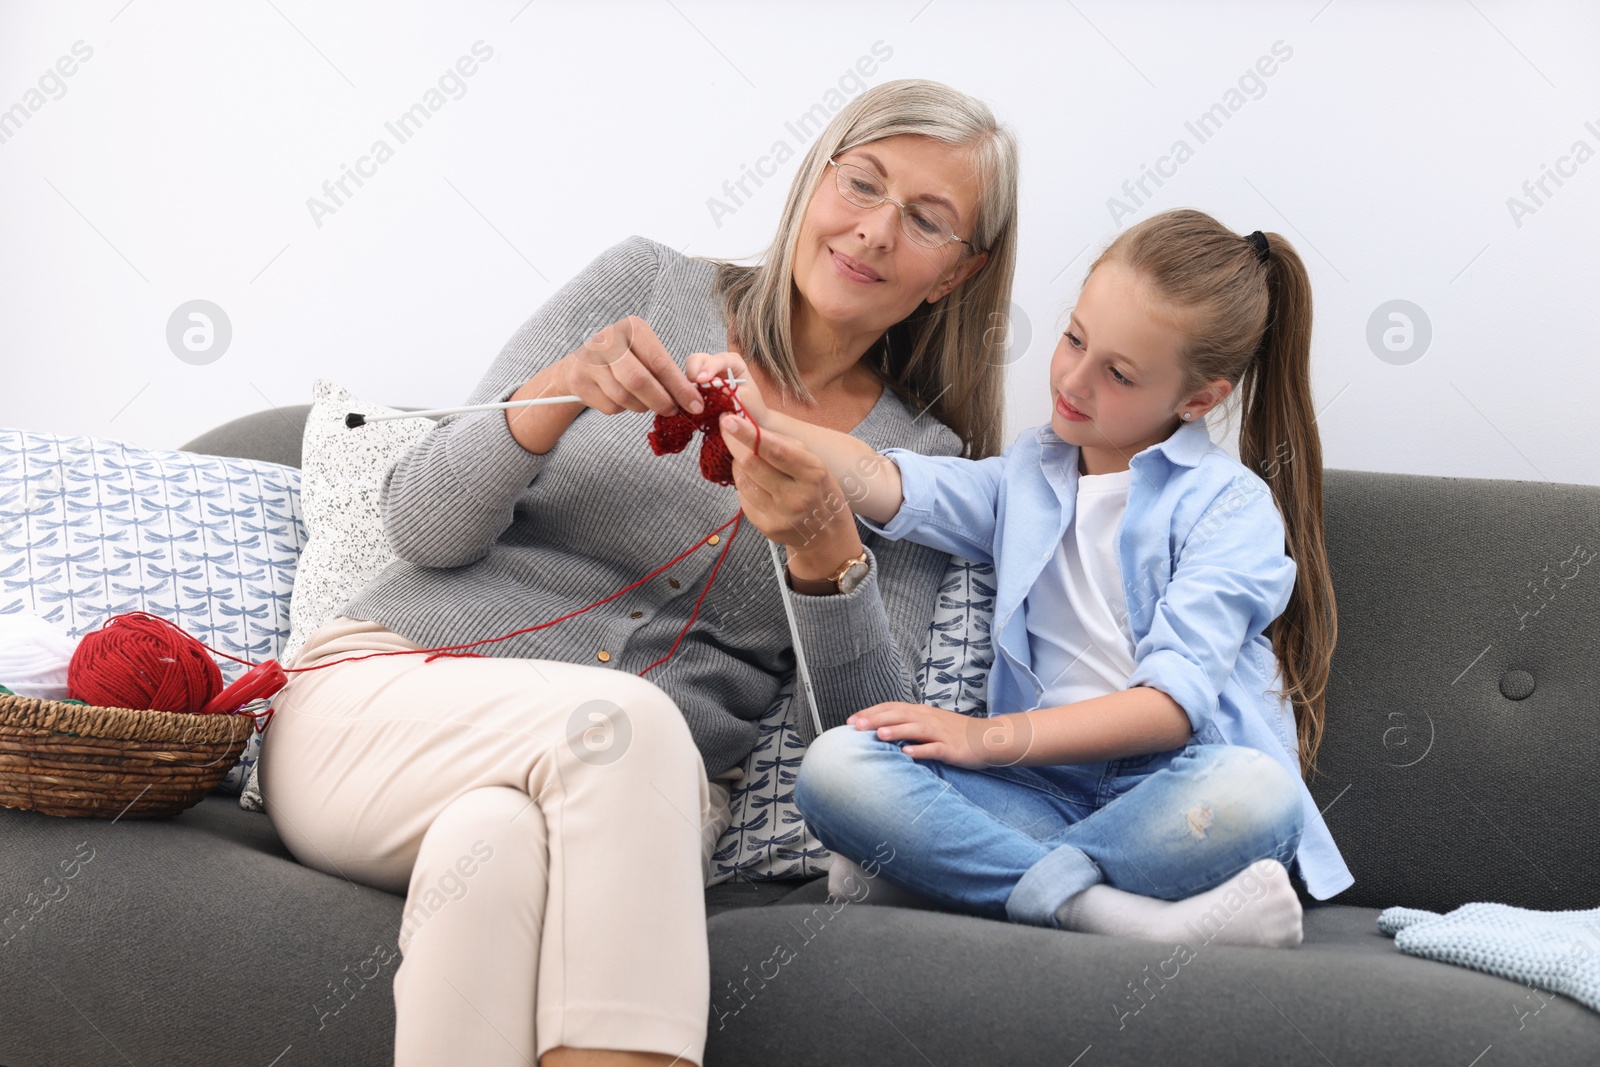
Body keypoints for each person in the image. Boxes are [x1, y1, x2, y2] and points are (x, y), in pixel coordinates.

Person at [258, 78, 1019, 1067]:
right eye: (861, 183)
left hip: (623, 798)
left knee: (488, 855)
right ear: (812, 180)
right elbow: (421, 524)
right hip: (383, 708)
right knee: (625, 724)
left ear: (957, 273)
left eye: (924, 218)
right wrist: (560, 389)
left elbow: (855, 740)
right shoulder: (647, 287)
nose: (875, 230)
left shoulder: (916, 462)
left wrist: (824, 551)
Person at [697, 207, 1355, 952]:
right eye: (1074, 337)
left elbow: (1171, 705)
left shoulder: (1229, 507)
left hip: (1167, 797)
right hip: (1033, 800)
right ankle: (1108, 910)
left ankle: (965, 880)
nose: (1073, 378)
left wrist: (986, 738)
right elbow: (883, 481)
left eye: (1118, 372)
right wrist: (761, 417)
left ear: (1197, 400)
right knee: (838, 767)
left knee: (1261, 794)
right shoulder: (1029, 477)